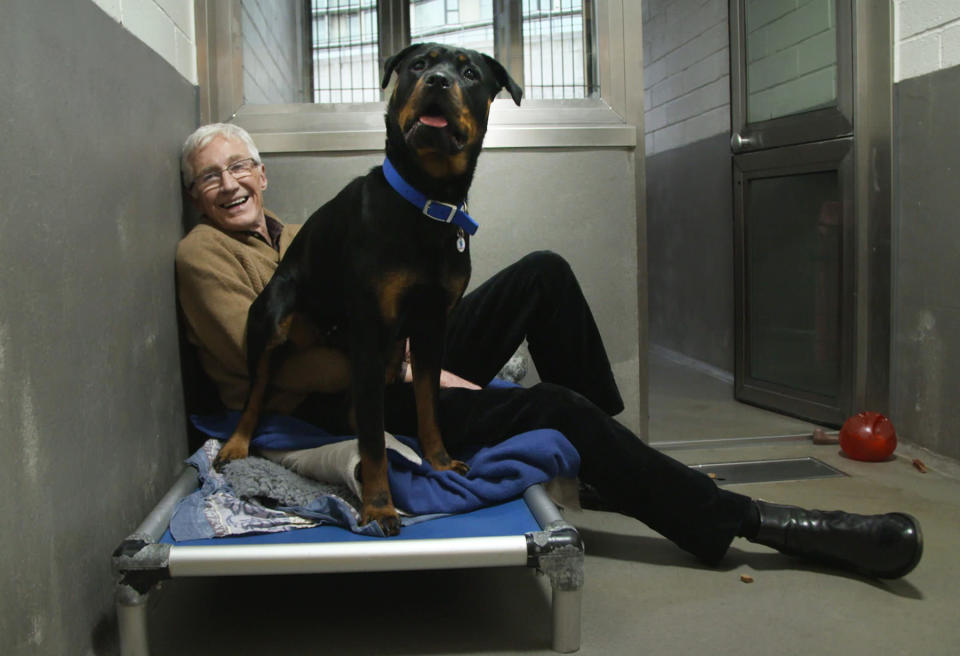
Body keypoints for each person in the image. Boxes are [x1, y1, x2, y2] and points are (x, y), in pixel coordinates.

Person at [175, 122, 922, 579]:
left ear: (262, 173)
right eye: (210, 176)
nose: (230, 183)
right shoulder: (202, 255)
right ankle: (756, 522)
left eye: (240, 166)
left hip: (393, 359)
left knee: (541, 274)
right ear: (196, 194)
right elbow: (257, 360)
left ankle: (603, 466)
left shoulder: (299, 233)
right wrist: (402, 365)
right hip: (332, 406)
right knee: (556, 410)